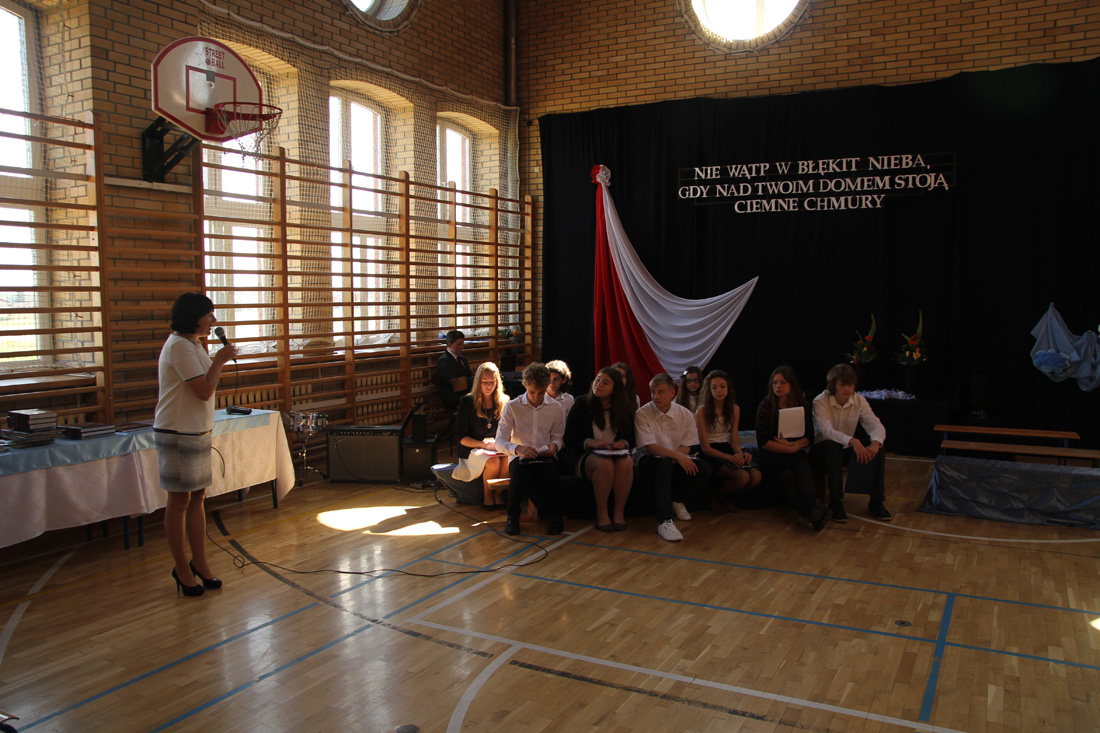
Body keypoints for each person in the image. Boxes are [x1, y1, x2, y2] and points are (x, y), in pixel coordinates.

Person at [154, 292, 237, 597]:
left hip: (196, 431)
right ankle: (182, 568)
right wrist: (219, 361)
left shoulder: (193, 344)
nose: (213, 320)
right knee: (179, 501)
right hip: (177, 432)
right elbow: (202, 391)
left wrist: (215, 360)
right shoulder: (179, 346)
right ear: (193, 317)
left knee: (198, 498)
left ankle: (200, 562)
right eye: (208, 314)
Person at [634, 372, 713, 542]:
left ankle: (678, 500)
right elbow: (652, 448)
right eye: (653, 392)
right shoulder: (642, 413)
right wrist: (677, 455)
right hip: (650, 460)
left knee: (704, 468)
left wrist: (680, 456)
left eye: (661, 392)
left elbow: (688, 444)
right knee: (663, 464)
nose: (656, 396)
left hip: (675, 457)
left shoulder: (685, 414)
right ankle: (665, 520)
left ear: (672, 393)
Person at [811, 363, 891, 522]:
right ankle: (836, 502)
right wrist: (853, 441)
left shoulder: (859, 400)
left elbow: (875, 425)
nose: (847, 389)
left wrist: (875, 443)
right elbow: (827, 431)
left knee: (878, 447)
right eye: (843, 385)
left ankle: (876, 501)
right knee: (833, 446)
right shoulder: (820, 401)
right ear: (834, 384)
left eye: (850, 385)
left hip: (845, 447)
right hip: (821, 451)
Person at [755, 365, 831, 531]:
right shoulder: (766, 406)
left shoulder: (801, 404)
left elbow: (809, 436)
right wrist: (788, 448)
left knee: (804, 468)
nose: (778, 386)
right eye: (775, 382)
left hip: (795, 450)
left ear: (791, 384)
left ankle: (812, 511)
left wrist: (793, 446)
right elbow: (763, 441)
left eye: (783, 382)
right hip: (772, 453)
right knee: (787, 474)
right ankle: (811, 514)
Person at [495, 362, 566, 536]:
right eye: (532, 392)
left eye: (540, 392)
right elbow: (500, 441)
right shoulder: (513, 406)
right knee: (520, 475)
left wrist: (554, 446)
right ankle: (513, 517)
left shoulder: (555, 407)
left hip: (545, 454)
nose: (536, 396)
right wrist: (518, 449)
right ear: (525, 385)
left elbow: (558, 437)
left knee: (551, 476)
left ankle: (556, 517)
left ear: (546, 387)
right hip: (519, 456)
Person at [564, 366, 636, 531]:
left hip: (614, 453)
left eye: (605, 382)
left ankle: (618, 512)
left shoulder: (624, 407)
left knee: (626, 462)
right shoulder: (582, 403)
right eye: (597, 380)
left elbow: (632, 437)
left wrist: (623, 443)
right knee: (605, 464)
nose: (598, 384)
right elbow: (569, 437)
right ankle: (602, 513)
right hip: (584, 454)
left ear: (614, 389)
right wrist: (591, 442)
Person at [695, 369, 762, 512]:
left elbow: (734, 442)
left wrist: (741, 455)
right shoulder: (701, 411)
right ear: (709, 390)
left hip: (726, 447)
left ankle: (724, 496)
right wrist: (730, 458)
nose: (719, 390)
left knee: (756, 476)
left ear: (728, 387)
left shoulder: (734, 408)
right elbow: (705, 447)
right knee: (742, 477)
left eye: (722, 386)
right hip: (709, 452)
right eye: (714, 387)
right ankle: (712, 496)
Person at [452, 361, 510, 508]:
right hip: (474, 447)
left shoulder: (504, 401)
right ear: (478, 382)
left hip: (496, 446)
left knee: (508, 461)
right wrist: (484, 446)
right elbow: (461, 437)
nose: (488, 386)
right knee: (493, 462)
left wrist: (501, 444)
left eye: (492, 382)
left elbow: (508, 430)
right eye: (485, 382)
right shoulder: (467, 402)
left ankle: (498, 494)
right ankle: (487, 495)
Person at [436, 329, 473, 411]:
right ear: (449, 345)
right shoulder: (444, 361)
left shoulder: (462, 359)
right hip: (455, 397)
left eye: (462, 344)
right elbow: (456, 383)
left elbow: (470, 376)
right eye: (459, 344)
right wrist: (476, 379)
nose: (461, 347)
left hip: (466, 392)